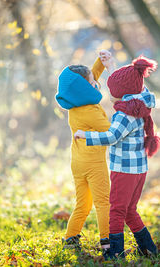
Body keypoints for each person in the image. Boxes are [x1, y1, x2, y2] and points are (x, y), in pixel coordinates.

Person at [74, 55, 160, 259]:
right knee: (130, 209)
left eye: (111, 91)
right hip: (139, 169)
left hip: (124, 170)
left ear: (120, 95)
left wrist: (86, 135)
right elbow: (128, 85)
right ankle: (148, 248)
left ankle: (115, 253)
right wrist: (111, 67)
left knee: (117, 210)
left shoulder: (124, 115)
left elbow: (112, 137)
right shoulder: (140, 101)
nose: (109, 93)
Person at [55, 50, 115, 259]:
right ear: (85, 87)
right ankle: (108, 244)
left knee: (83, 204)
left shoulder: (74, 104)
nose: (96, 82)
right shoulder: (91, 111)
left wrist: (100, 62)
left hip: (77, 163)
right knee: (103, 203)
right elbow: (112, 131)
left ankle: (70, 238)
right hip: (94, 163)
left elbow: (89, 79)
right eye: (92, 81)